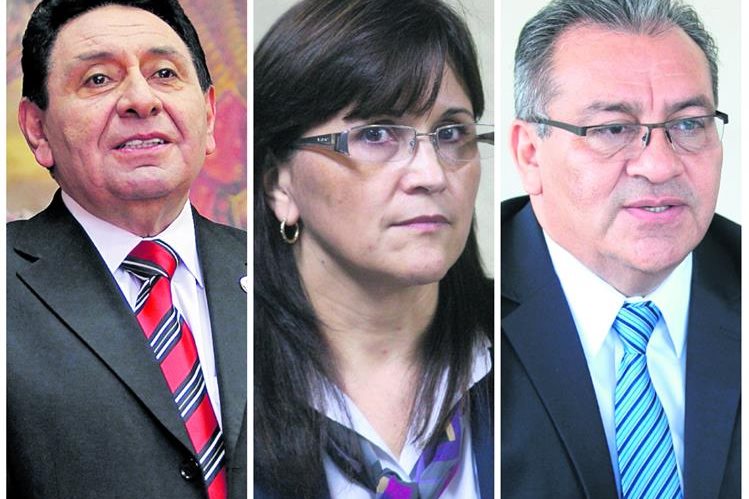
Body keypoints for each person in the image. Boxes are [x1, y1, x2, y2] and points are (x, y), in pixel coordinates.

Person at [254, 0, 494, 497]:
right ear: (280, 184)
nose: (431, 174)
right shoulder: (229, 373)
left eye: (451, 133)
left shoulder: (527, 342)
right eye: (377, 134)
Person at [7, 1, 246, 498]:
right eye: (98, 79)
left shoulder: (282, 273)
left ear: (208, 115)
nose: (141, 100)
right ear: (37, 129)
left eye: (164, 73)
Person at [502, 0, 740, 497]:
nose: (659, 165)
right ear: (530, 154)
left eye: (689, 124)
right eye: (613, 129)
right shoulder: (461, 301)